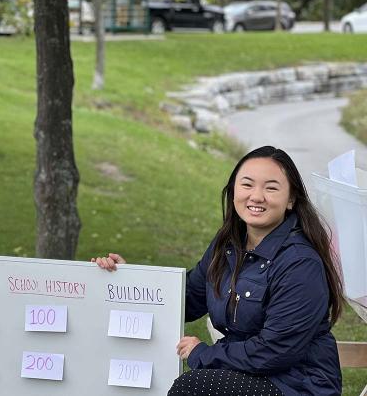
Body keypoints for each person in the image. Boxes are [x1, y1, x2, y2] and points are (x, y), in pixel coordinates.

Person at [94, 146, 344, 396]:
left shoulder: (300, 263)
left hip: (297, 384)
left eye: (271, 188)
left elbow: (274, 352)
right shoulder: (228, 245)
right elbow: (187, 299)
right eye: (247, 184)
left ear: (291, 199)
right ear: (234, 190)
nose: (257, 196)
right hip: (247, 374)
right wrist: (130, 281)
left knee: (193, 387)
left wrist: (203, 354)